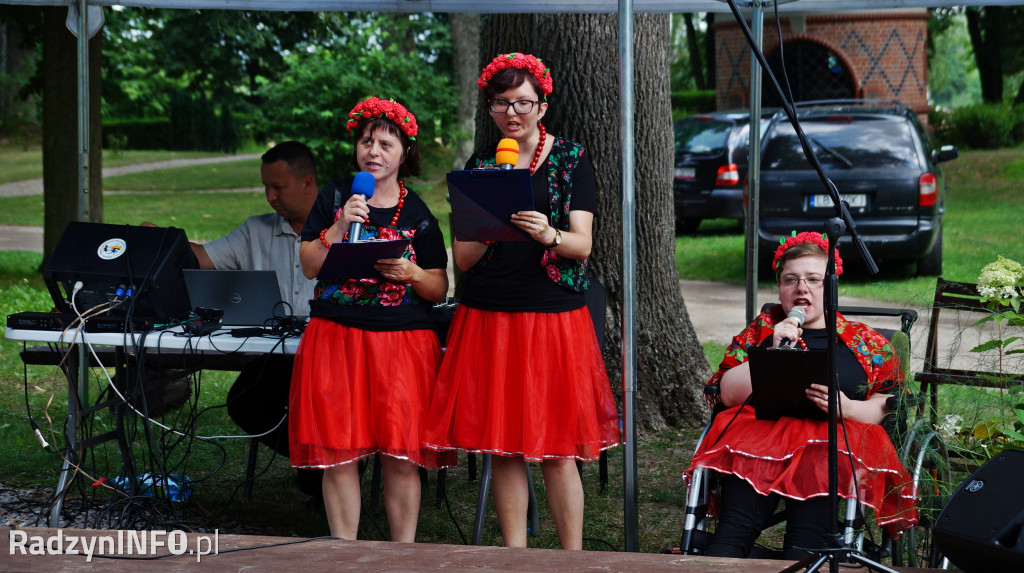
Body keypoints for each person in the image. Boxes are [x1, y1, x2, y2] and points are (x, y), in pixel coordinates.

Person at [425, 52, 621, 550]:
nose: (512, 113)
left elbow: (582, 245)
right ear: (489, 109)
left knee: (557, 450)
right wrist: (488, 229)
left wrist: (548, 233)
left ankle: (571, 556)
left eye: (522, 103)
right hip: (489, 312)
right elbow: (463, 260)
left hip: (552, 313)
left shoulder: (570, 159)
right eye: (500, 104)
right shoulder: (481, 165)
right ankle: (516, 556)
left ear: (542, 105)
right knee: (502, 448)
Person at [685, 231, 918, 560]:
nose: (801, 288)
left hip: (833, 440)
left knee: (805, 545)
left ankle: (802, 555)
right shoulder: (762, 332)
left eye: (813, 279)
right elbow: (726, 393)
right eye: (790, 280)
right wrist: (771, 348)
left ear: (831, 286)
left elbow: (887, 405)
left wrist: (847, 407)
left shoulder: (866, 342)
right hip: (758, 439)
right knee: (732, 536)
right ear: (780, 288)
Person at [289, 96, 453, 542]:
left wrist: (414, 273)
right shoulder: (336, 198)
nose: (373, 151)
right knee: (338, 452)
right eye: (366, 141)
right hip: (336, 337)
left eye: (385, 143)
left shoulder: (418, 212)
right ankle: (344, 553)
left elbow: (439, 287)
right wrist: (340, 227)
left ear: (404, 153)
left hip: (400, 343)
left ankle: (402, 555)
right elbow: (308, 264)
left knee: (400, 455)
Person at [144, 141, 320, 492]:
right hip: (277, 359)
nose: (270, 196)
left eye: (279, 187)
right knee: (245, 401)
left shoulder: (346, 228)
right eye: (265, 187)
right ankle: (318, 465)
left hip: (330, 356)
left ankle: (326, 468)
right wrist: (163, 241)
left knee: (322, 404)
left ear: (307, 184)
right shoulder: (256, 230)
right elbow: (201, 260)